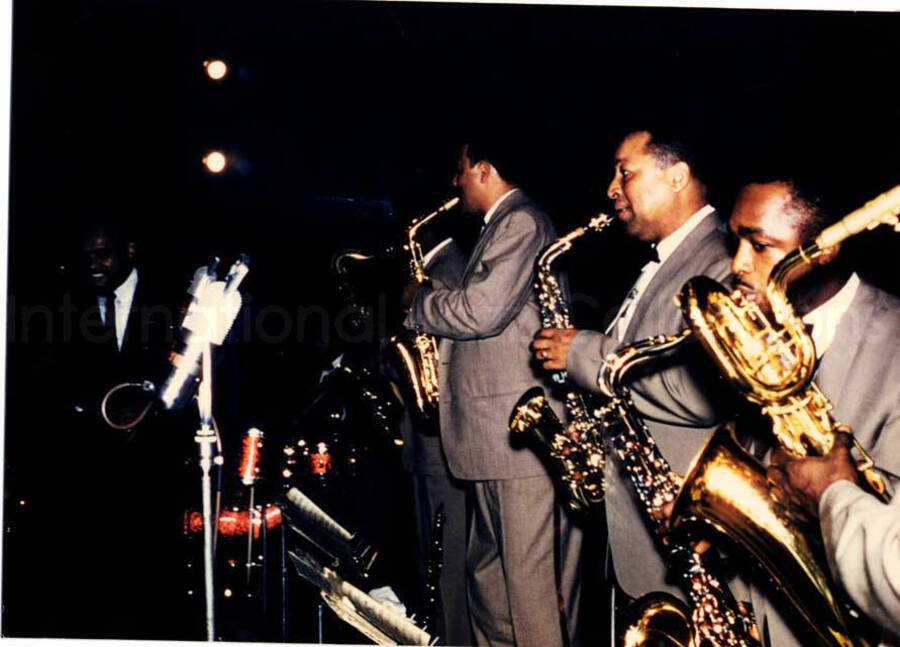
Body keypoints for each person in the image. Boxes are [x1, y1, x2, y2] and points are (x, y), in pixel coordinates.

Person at [531, 128, 734, 613]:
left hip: (686, 530)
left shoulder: (721, 263)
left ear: (677, 177)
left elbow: (700, 391)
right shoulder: (664, 261)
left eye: (626, 172)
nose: (611, 189)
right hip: (643, 530)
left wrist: (585, 354)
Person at [404, 136, 581, 647]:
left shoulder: (520, 221)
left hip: (515, 440)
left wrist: (422, 301)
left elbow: (481, 310)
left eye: (461, 170)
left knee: (527, 600)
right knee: (490, 589)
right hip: (491, 441)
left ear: (484, 170)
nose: (455, 181)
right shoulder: (500, 225)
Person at [725, 178, 900, 645]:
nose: (736, 264)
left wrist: (833, 496)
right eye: (736, 240)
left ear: (825, 250)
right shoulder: (753, 329)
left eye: (760, 245)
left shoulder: (895, 342)